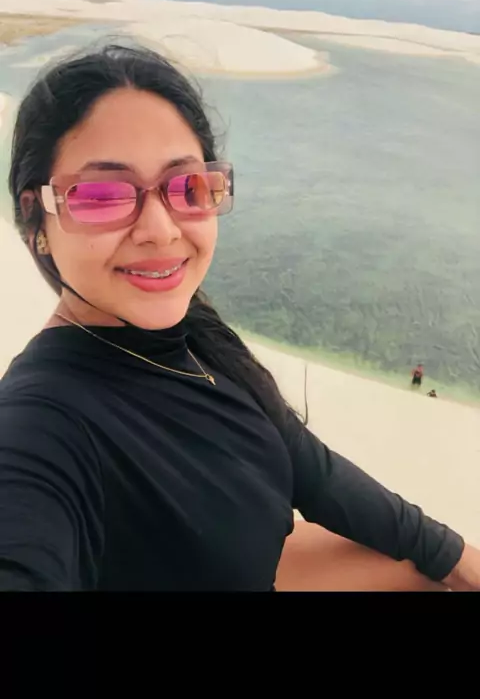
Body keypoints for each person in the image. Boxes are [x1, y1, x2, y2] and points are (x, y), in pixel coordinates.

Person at [1, 43, 479, 592]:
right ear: (36, 219)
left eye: (186, 187)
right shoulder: (41, 424)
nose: (160, 230)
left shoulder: (200, 338)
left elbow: (311, 469)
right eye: (103, 195)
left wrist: (453, 553)